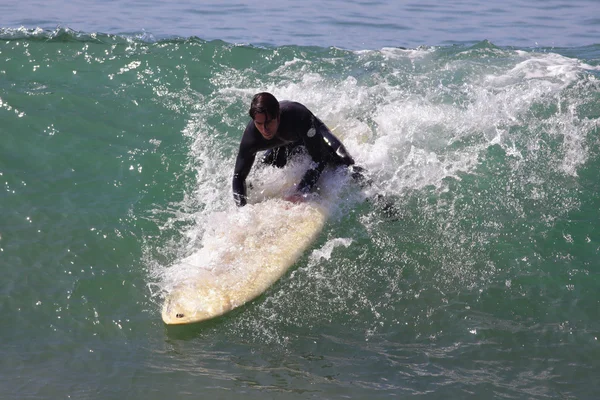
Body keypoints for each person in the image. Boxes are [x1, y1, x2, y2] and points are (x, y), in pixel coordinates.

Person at [232, 92, 361, 207]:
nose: (264, 129)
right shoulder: (251, 137)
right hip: (285, 146)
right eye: (259, 124)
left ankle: (376, 193)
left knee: (346, 163)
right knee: (255, 178)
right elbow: (238, 177)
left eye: (268, 122)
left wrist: (302, 190)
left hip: (313, 134)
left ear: (278, 116)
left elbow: (320, 158)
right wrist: (242, 210)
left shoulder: (298, 116)